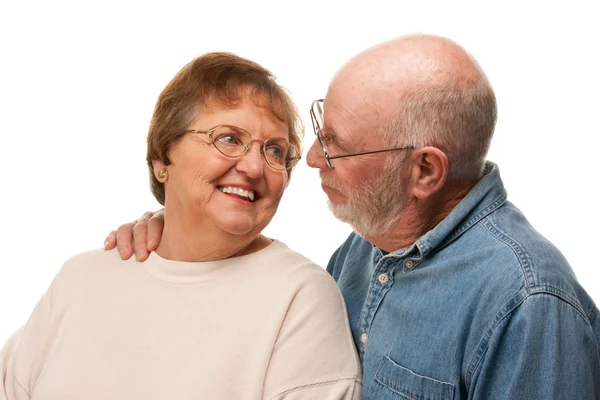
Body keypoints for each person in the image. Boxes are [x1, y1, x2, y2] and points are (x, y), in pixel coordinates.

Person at [108, 34, 600, 399]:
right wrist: (174, 235)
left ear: (424, 171)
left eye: (337, 146)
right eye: (321, 130)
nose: (314, 159)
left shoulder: (529, 304)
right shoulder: (372, 242)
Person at [0, 52, 362, 399]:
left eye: (275, 151)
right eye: (229, 139)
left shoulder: (301, 298)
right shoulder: (80, 278)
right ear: (162, 158)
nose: (255, 168)